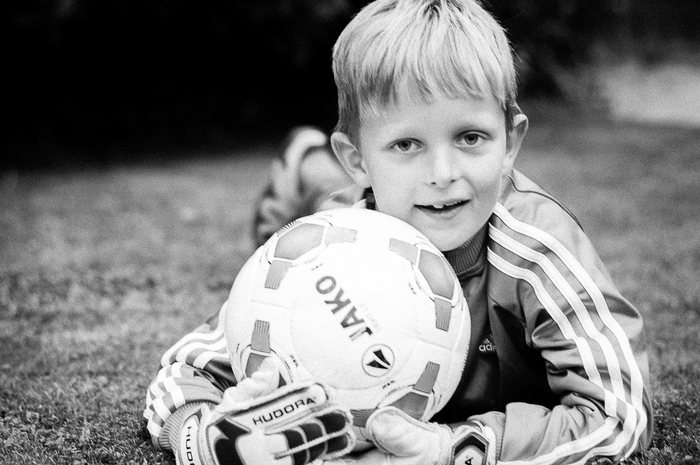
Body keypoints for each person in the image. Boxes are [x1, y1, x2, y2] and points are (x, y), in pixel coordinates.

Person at [143, 1, 653, 464]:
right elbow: (184, 371)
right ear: (358, 159)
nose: (443, 172)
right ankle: (307, 167)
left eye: (470, 137)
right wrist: (201, 434)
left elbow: (619, 415)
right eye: (406, 144)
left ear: (511, 142)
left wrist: (455, 447)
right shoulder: (325, 249)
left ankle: (312, 164)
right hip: (345, 203)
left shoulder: (538, 250)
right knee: (308, 215)